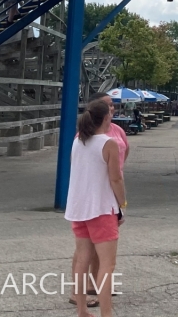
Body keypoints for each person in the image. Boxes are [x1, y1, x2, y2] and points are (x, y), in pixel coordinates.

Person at [65, 98, 126, 317]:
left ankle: (82, 309)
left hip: (79, 207)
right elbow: (116, 179)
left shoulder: (79, 140)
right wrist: (122, 204)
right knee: (107, 266)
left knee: (82, 259)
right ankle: (106, 314)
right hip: (101, 207)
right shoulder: (109, 143)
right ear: (106, 117)